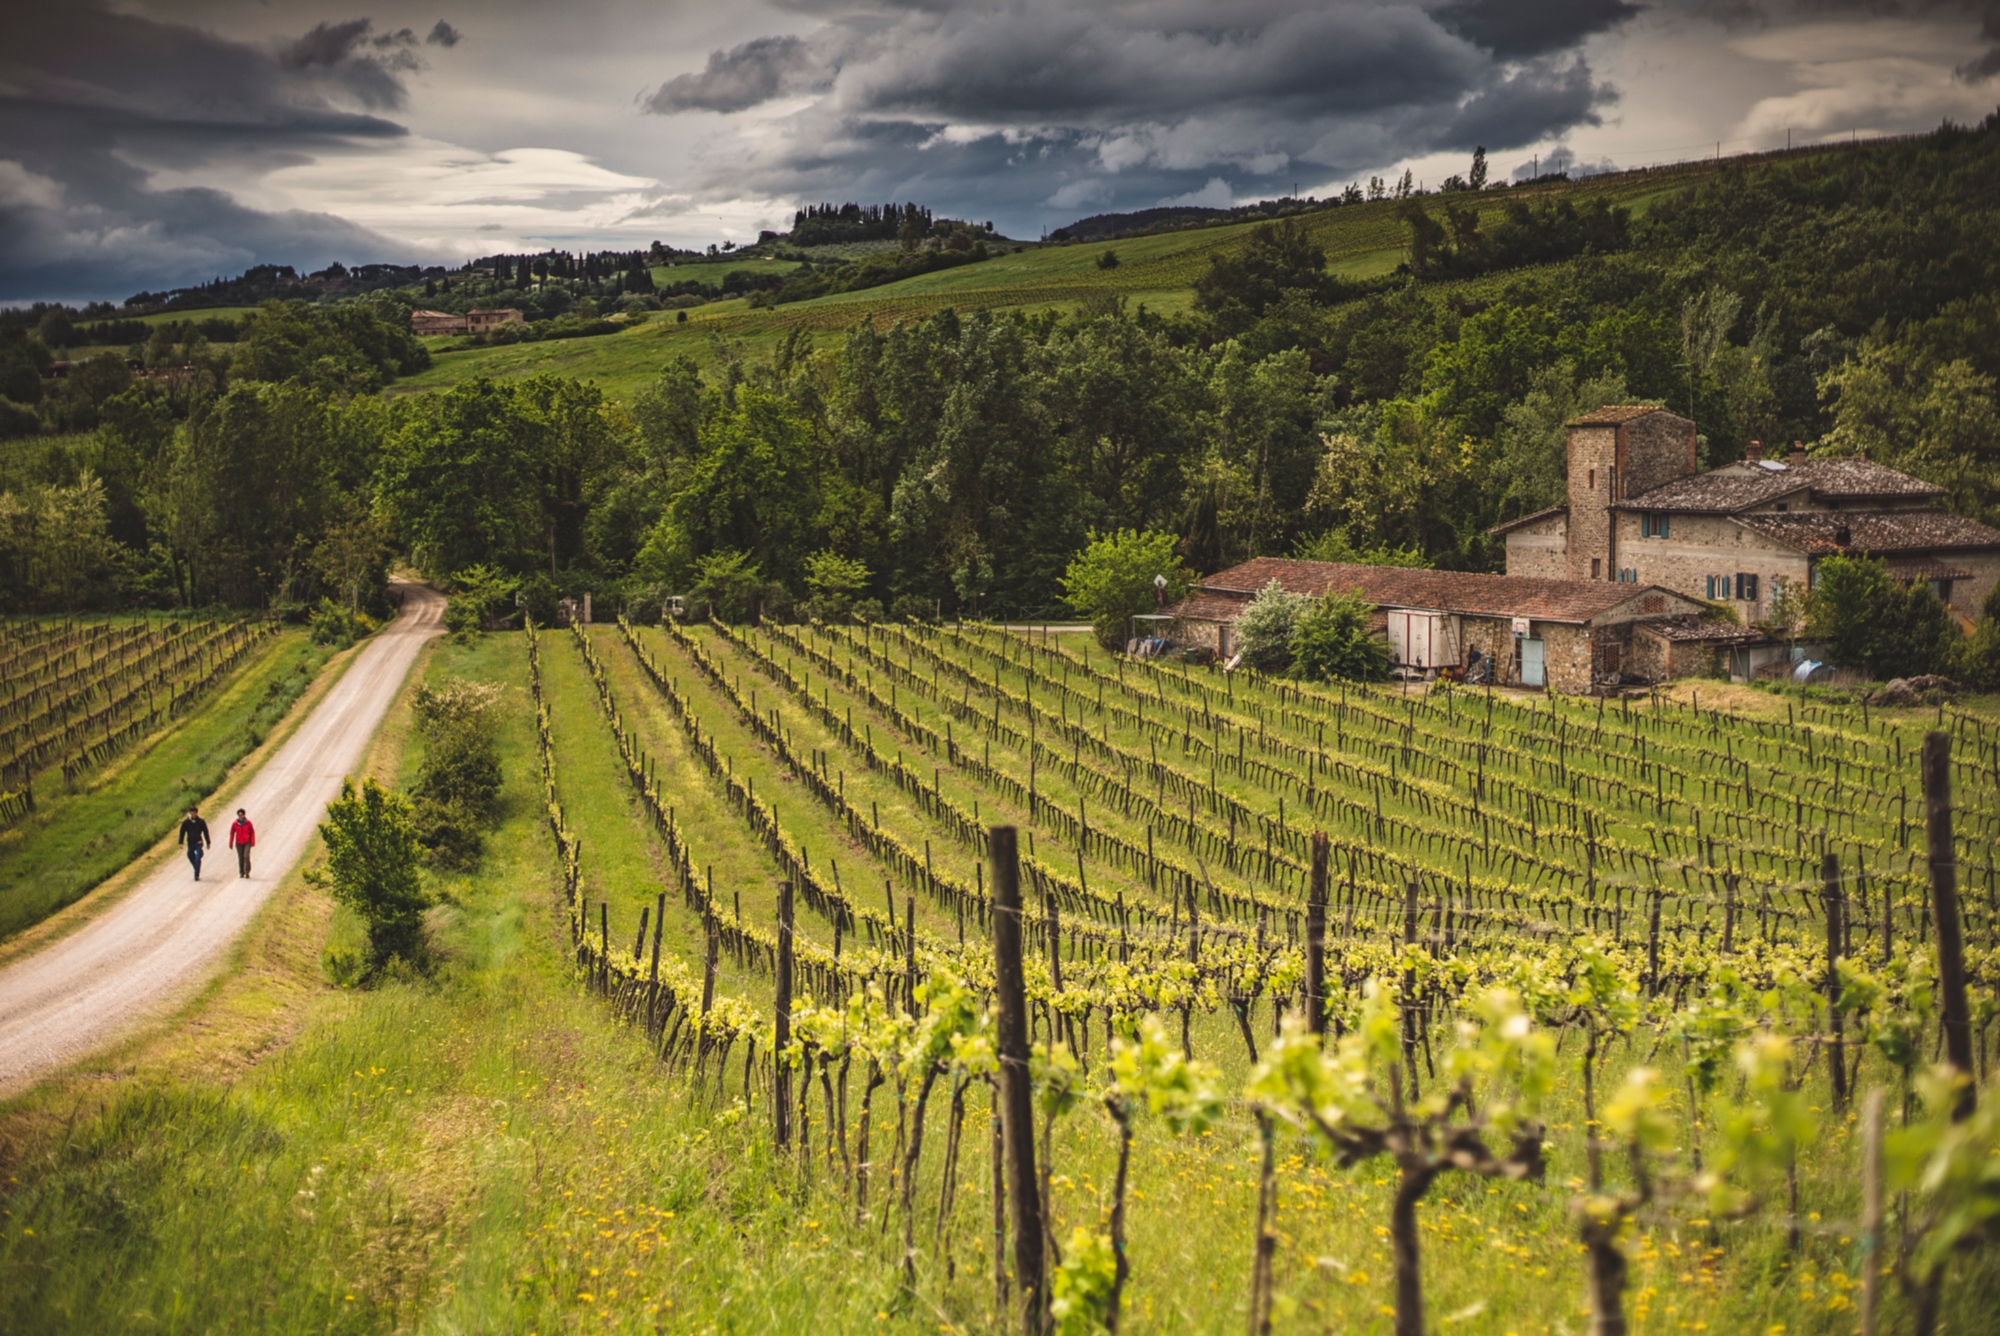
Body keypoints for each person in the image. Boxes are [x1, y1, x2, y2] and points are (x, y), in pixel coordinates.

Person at [178, 806, 211, 881]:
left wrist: (208, 842)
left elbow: (206, 832)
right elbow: (182, 832)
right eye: (191, 813)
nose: (193, 814)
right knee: (190, 855)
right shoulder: (186, 822)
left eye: (194, 813)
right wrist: (180, 842)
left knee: (198, 857)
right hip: (190, 843)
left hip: (198, 842)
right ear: (190, 813)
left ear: (196, 813)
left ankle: (196, 874)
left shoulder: (201, 822)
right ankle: (196, 867)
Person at [229, 808, 256, 879]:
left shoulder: (248, 823)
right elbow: (232, 833)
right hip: (239, 843)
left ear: (244, 815)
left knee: (246, 856)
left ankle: (247, 871)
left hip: (247, 842)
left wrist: (252, 841)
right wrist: (230, 843)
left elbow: (252, 832)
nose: (240, 816)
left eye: (241, 815)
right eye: (239, 815)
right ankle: (241, 872)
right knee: (241, 858)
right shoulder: (235, 824)